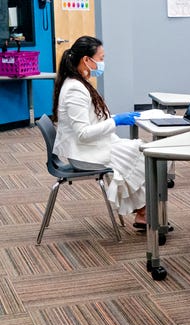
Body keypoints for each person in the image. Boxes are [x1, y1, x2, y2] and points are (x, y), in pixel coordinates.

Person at [52, 36, 147, 228]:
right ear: (87, 60)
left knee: (141, 151)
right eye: (101, 58)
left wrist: (117, 117)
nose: (103, 63)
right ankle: (144, 212)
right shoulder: (74, 90)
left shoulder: (79, 82)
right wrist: (116, 121)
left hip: (91, 147)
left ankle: (143, 212)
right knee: (145, 155)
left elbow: (91, 120)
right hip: (84, 153)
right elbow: (83, 133)